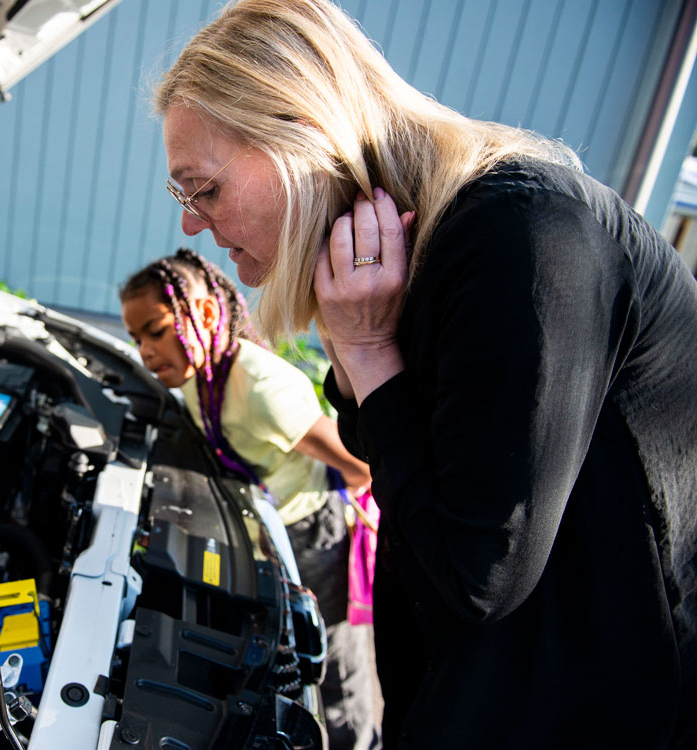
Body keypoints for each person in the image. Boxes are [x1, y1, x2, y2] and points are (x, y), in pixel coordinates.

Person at [153, 1, 697, 748]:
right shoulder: (420, 253)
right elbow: (397, 451)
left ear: (301, 133)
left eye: (204, 189)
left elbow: (482, 577)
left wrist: (370, 350)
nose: (191, 224)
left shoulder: (523, 238)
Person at [119, 248, 380, 750]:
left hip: (313, 537)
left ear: (208, 314)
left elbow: (362, 464)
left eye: (155, 330)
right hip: (271, 535)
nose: (145, 352)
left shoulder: (261, 388)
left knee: (334, 666)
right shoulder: (198, 377)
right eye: (136, 339)